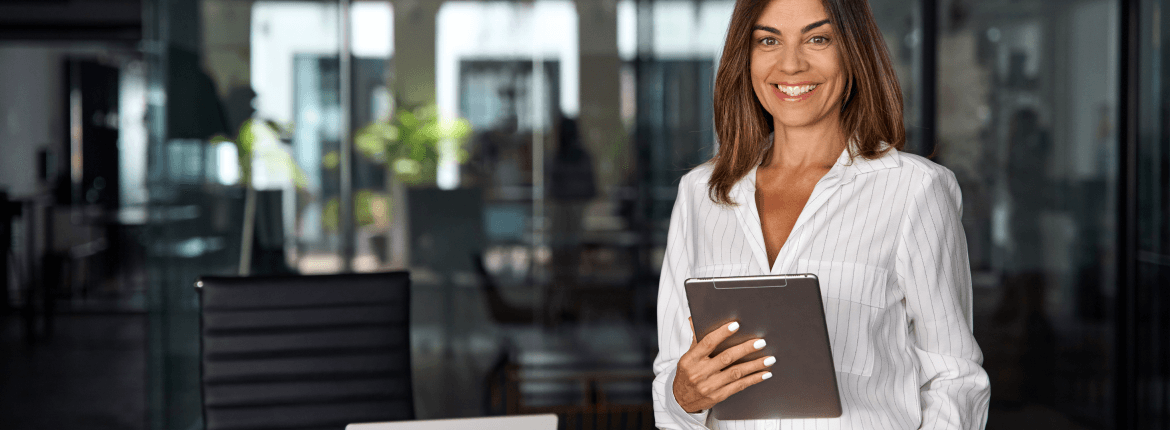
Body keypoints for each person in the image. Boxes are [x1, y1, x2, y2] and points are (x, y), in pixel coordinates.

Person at [651, 0, 991, 428]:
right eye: (768, 40)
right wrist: (683, 397)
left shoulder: (914, 190)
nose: (791, 64)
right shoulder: (700, 194)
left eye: (818, 38)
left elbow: (954, 377)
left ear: (852, 52)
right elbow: (673, 376)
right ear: (746, 56)